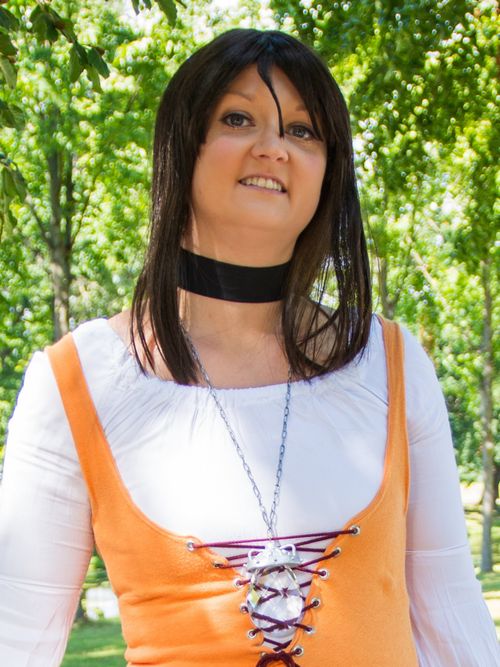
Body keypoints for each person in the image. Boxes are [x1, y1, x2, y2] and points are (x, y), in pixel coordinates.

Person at [0, 28, 498, 667]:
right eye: (238, 118)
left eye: (303, 130)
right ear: (182, 146)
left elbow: (453, 621)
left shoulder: (393, 364)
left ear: (329, 171)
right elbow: (15, 638)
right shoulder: (75, 383)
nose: (273, 148)